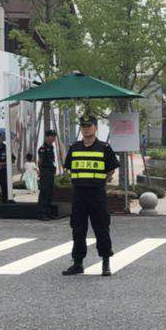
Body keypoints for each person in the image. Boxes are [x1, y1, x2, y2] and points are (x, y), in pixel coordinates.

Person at [63, 114, 120, 276]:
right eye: (83, 126)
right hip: (79, 194)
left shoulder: (104, 147)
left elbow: (111, 169)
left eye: (89, 126)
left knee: (101, 228)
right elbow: (68, 167)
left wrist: (100, 181)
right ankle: (78, 263)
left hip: (97, 194)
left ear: (95, 128)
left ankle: (105, 263)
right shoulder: (74, 147)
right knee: (78, 229)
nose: (86, 129)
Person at [37, 129, 59, 219]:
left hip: (50, 172)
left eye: (54, 136)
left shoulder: (51, 147)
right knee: (44, 192)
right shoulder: (43, 148)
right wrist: (41, 172)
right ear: (47, 137)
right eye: (52, 136)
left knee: (50, 192)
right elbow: (40, 162)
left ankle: (48, 212)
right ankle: (42, 213)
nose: (53, 138)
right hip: (45, 172)